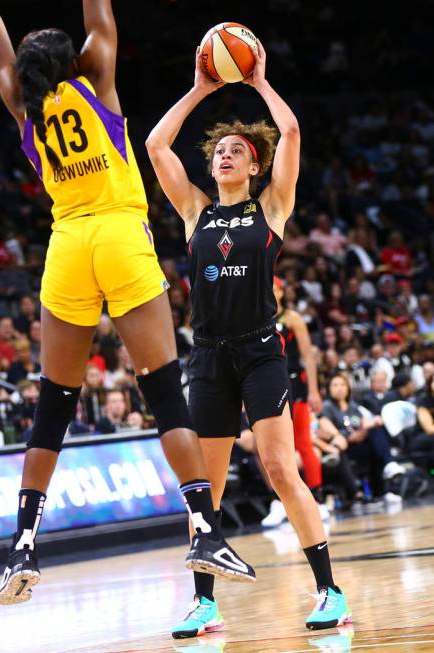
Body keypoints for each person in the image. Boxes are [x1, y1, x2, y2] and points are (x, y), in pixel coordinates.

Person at [0, 0, 254, 606]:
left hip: (68, 242)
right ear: (74, 59)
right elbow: (100, 17)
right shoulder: (96, 82)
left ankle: (22, 543)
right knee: (164, 390)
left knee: (54, 403)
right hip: (120, 236)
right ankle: (206, 529)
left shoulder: (26, 106)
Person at [146, 42, 351, 635]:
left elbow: (289, 130)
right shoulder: (194, 213)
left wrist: (257, 80)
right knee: (202, 488)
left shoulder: (272, 208)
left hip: (262, 352)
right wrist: (202, 90)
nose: (228, 156)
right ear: (211, 166)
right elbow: (157, 145)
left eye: (239, 151)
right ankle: (204, 602)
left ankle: (329, 590)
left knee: (280, 469)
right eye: (221, 152)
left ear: (255, 166)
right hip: (208, 356)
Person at [262, 277, 325, 527]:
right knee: (271, 449)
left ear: (280, 291)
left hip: (295, 386)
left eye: (273, 288)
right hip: (267, 387)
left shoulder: (293, 319)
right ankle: (279, 502)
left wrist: (314, 390)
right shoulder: (256, 319)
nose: (270, 291)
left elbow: (308, 356)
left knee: (303, 442)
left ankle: (318, 500)